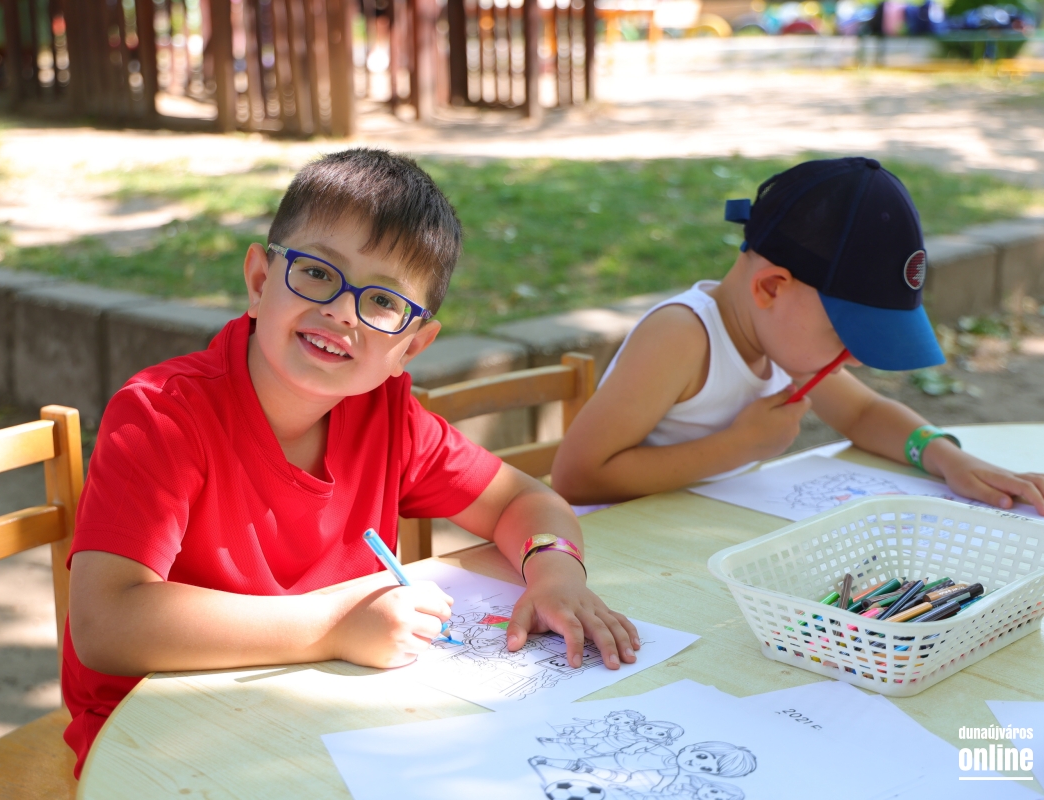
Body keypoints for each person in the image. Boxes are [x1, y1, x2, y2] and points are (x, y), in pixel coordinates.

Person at [61, 149, 639, 776]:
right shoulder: (163, 415)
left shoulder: (387, 417)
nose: (340, 311)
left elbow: (525, 501)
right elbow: (106, 622)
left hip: (323, 722)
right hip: (156, 741)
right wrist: (333, 626)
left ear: (411, 347)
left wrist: (555, 572)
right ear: (259, 281)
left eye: (383, 301)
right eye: (316, 272)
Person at [552, 157, 1044, 513]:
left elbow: (863, 413)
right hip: (621, 549)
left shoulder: (777, 336)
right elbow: (577, 477)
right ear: (771, 287)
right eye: (844, 331)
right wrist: (739, 446)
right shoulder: (682, 337)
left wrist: (950, 459)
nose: (854, 358)